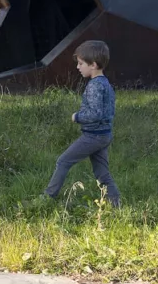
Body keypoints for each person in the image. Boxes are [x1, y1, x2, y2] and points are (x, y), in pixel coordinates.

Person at [43, 40, 121, 207]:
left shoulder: (94, 86)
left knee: (63, 161)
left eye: (80, 63)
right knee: (102, 172)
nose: (78, 67)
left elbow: (95, 114)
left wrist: (77, 117)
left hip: (93, 136)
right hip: (104, 134)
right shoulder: (105, 84)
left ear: (93, 65)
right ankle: (115, 205)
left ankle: (47, 198)